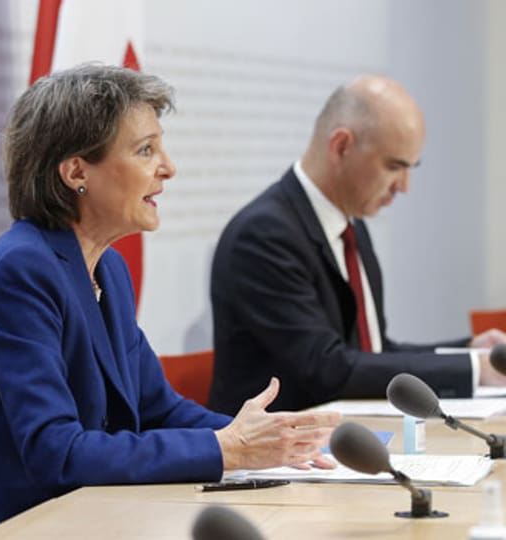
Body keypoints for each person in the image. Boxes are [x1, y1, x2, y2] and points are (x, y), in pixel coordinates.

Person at [0, 64, 340, 540]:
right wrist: (228, 449)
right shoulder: (20, 270)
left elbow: (158, 408)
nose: (168, 168)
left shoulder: (106, 267)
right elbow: (59, 453)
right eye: (145, 150)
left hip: (76, 518)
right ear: (76, 172)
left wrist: (278, 442)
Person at [207, 75, 506, 415]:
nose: (404, 186)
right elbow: (330, 370)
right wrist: (475, 369)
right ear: (341, 146)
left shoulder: (351, 225)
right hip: (278, 456)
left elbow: (372, 352)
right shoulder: (263, 235)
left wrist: (469, 352)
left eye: (411, 168)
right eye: (395, 166)